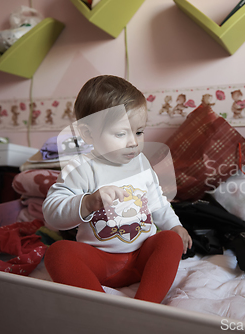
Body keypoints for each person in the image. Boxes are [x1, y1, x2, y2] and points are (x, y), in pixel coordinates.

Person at [42, 75, 192, 303]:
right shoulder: (81, 168)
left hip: (141, 258)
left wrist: (175, 225)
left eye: (139, 132)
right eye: (121, 134)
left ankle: (145, 306)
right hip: (101, 261)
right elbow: (52, 213)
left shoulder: (141, 163)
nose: (133, 142)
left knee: (169, 240)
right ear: (88, 134)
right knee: (58, 253)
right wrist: (87, 202)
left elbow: (157, 201)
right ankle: (102, 310)